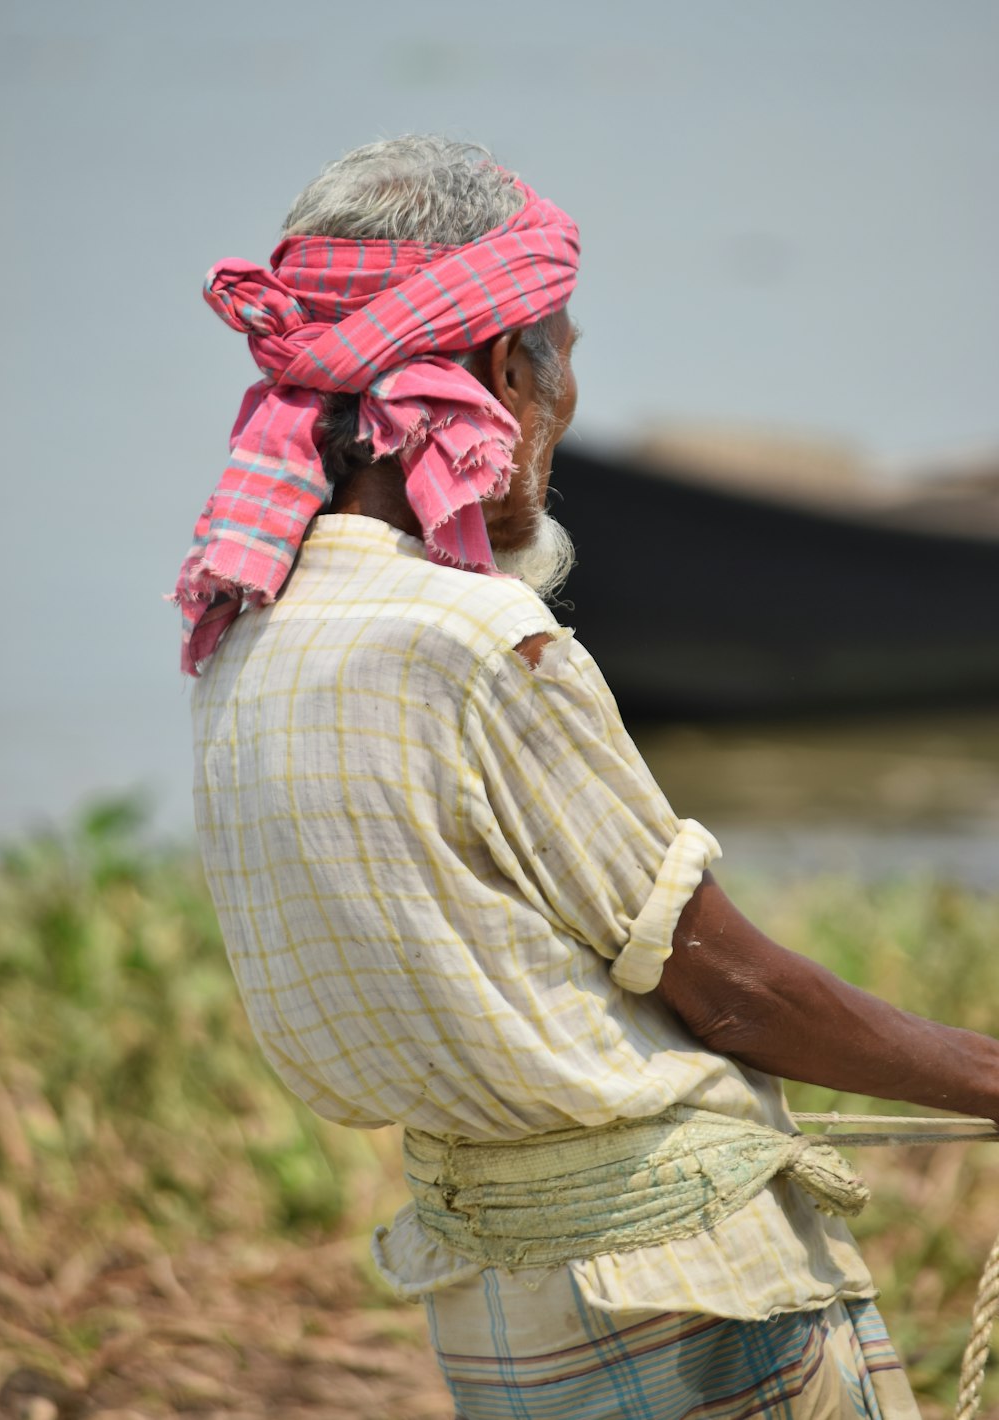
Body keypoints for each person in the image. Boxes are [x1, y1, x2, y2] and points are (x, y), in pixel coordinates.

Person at [176, 135, 999, 1420]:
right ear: (510, 371)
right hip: (680, 1281)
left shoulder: (244, 634)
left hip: (491, 1283)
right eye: (561, 358)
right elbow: (728, 992)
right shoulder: (480, 640)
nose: (559, 409)